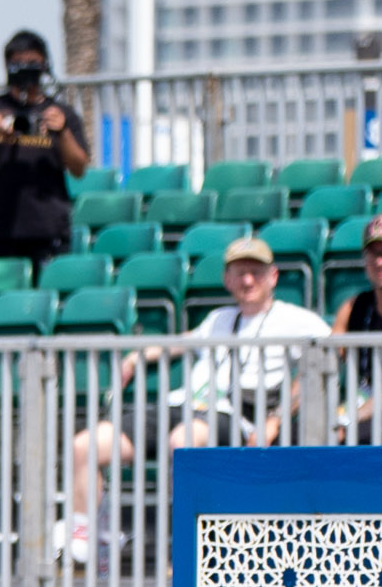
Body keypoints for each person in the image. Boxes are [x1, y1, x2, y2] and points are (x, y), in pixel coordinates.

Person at [61, 235, 327, 568]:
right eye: (239, 272)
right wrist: (134, 358)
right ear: (227, 279)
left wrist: (275, 417)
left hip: (232, 414)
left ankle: (188, 544)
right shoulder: (218, 319)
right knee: (85, 444)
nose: (247, 280)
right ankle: (90, 540)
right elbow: (181, 342)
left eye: (255, 272)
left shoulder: (297, 320)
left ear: (273, 276)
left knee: (183, 441)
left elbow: (328, 356)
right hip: (182, 405)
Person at [0, 30, 88, 263]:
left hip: (48, 231)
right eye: (18, 63)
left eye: (32, 63)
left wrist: (63, 131)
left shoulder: (61, 114)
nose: (25, 69)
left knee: (47, 298)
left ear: (45, 65)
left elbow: (79, 168)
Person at [331, 209, 382, 441]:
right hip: (363, 409)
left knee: (359, 436)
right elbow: (325, 364)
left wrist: (352, 418)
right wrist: (276, 419)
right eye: (372, 253)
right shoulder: (353, 306)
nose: (379, 261)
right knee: (298, 437)